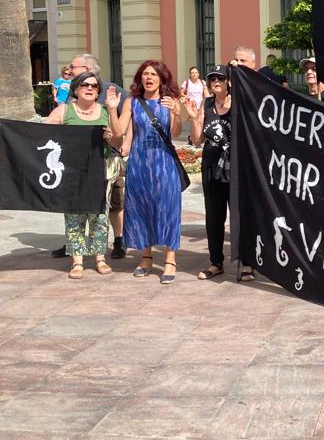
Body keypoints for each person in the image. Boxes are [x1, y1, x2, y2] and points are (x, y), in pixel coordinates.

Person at [109, 60, 184, 284]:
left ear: (162, 78)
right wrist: (112, 108)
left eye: (153, 74)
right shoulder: (132, 102)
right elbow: (119, 131)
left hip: (165, 164)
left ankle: (170, 259)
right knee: (141, 208)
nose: (148, 78)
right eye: (144, 74)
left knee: (168, 208)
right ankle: (146, 256)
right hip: (140, 163)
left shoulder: (170, 101)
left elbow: (176, 133)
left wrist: (177, 113)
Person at [45, 71, 121, 278]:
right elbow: (44, 135)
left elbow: (118, 143)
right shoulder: (63, 111)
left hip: (100, 170)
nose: (90, 88)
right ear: (76, 89)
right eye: (85, 85)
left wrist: (109, 137)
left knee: (99, 215)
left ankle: (100, 258)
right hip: (71, 171)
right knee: (74, 215)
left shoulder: (106, 111)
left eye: (94, 86)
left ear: (98, 92)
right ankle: (77, 260)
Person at [184, 64, 255, 282]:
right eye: (213, 78)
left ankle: (247, 263)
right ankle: (216, 262)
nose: (216, 81)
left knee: (240, 217)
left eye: (221, 78)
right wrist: (194, 117)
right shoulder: (206, 104)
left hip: (236, 169)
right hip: (212, 168)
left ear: (228, 82)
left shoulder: (240, 103)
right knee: (214, 218)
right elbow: (196, 140)